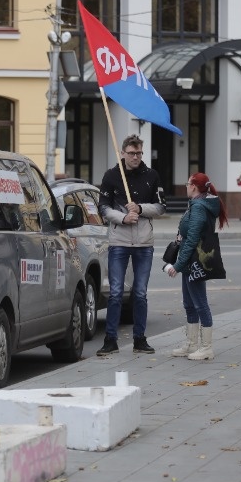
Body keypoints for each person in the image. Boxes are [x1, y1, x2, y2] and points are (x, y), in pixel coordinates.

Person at [96, 134, 166, 356]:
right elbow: (103, 207)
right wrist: (123, 217)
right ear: (123, 153)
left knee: (140, 293)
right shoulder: (111, 176)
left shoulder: (151, 175)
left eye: (139, 153)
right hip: (119, 241)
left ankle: (140, 339)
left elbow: (162, 206)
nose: (136, 157)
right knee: (116, 292)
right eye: (132, 153)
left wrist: (141, 209)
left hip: (144, 243)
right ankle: (110, 340)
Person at [165, 173, 229, 360]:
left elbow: (192, 239)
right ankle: (192, 344)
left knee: (200, 303)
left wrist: (177, 265)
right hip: (190, 261)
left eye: (187, 183)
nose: (185, 186)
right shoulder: (196, 204)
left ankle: (207, 347)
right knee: (189, 303)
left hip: (195, 262)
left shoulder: (199, 207)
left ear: (194, 186)